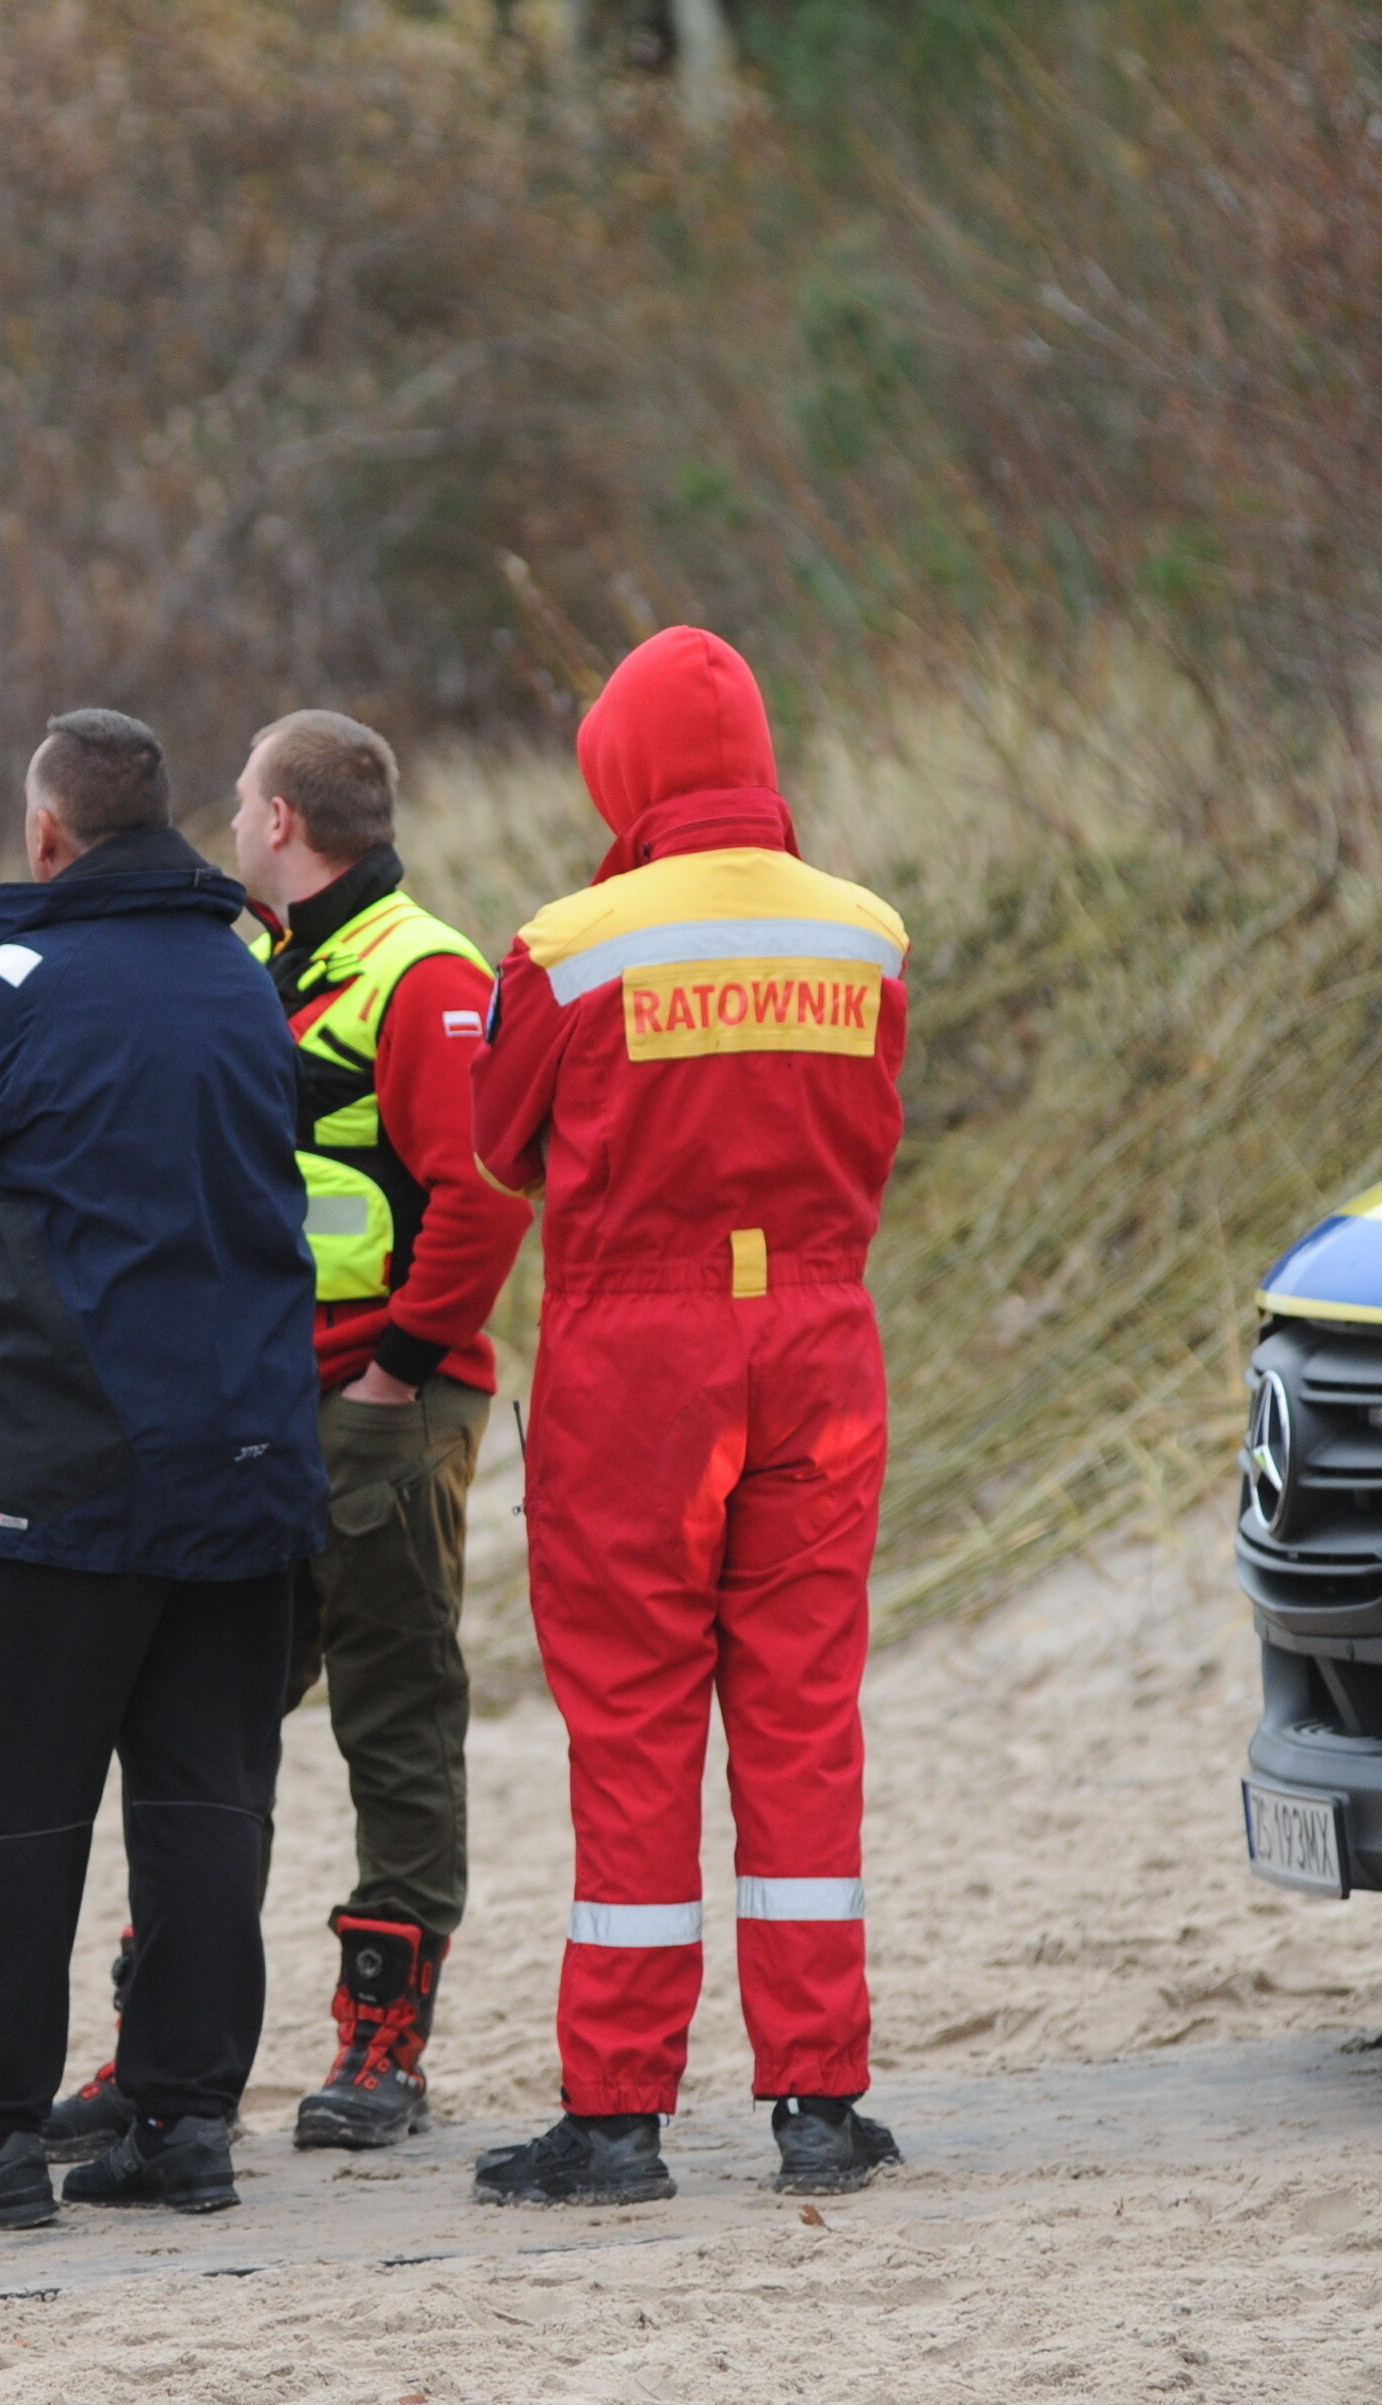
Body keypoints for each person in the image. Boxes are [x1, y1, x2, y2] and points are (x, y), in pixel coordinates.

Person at [0, 709, 330, 2236]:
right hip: (248, 1464)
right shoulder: (249, 980)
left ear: (46, 839)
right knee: (205, 1814)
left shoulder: (18, 983)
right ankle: (183, 2120)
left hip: (56, 1469)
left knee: (0, 1818)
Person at [466, 627, 911, 2206]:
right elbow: (874, 1135)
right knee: (801, 1714)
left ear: (626, 771)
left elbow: (499, 1145)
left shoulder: (570, 945)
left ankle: (619, 2116)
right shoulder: (867, 938)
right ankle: (818, 2100)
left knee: (637, 1721)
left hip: (636, 1359)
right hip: (817, 1336)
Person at [230, 711, 530, 2146]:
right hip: (260, 1403)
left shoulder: (428, 973)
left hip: (385, 1403)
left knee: (394, 1718)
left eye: (241, 803)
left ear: (283, 821)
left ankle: (381, 2046)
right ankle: (175, 2043)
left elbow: (482, 1195)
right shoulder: (263, 968)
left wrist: (398, 1372)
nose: (230, 825)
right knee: (208, 1719)